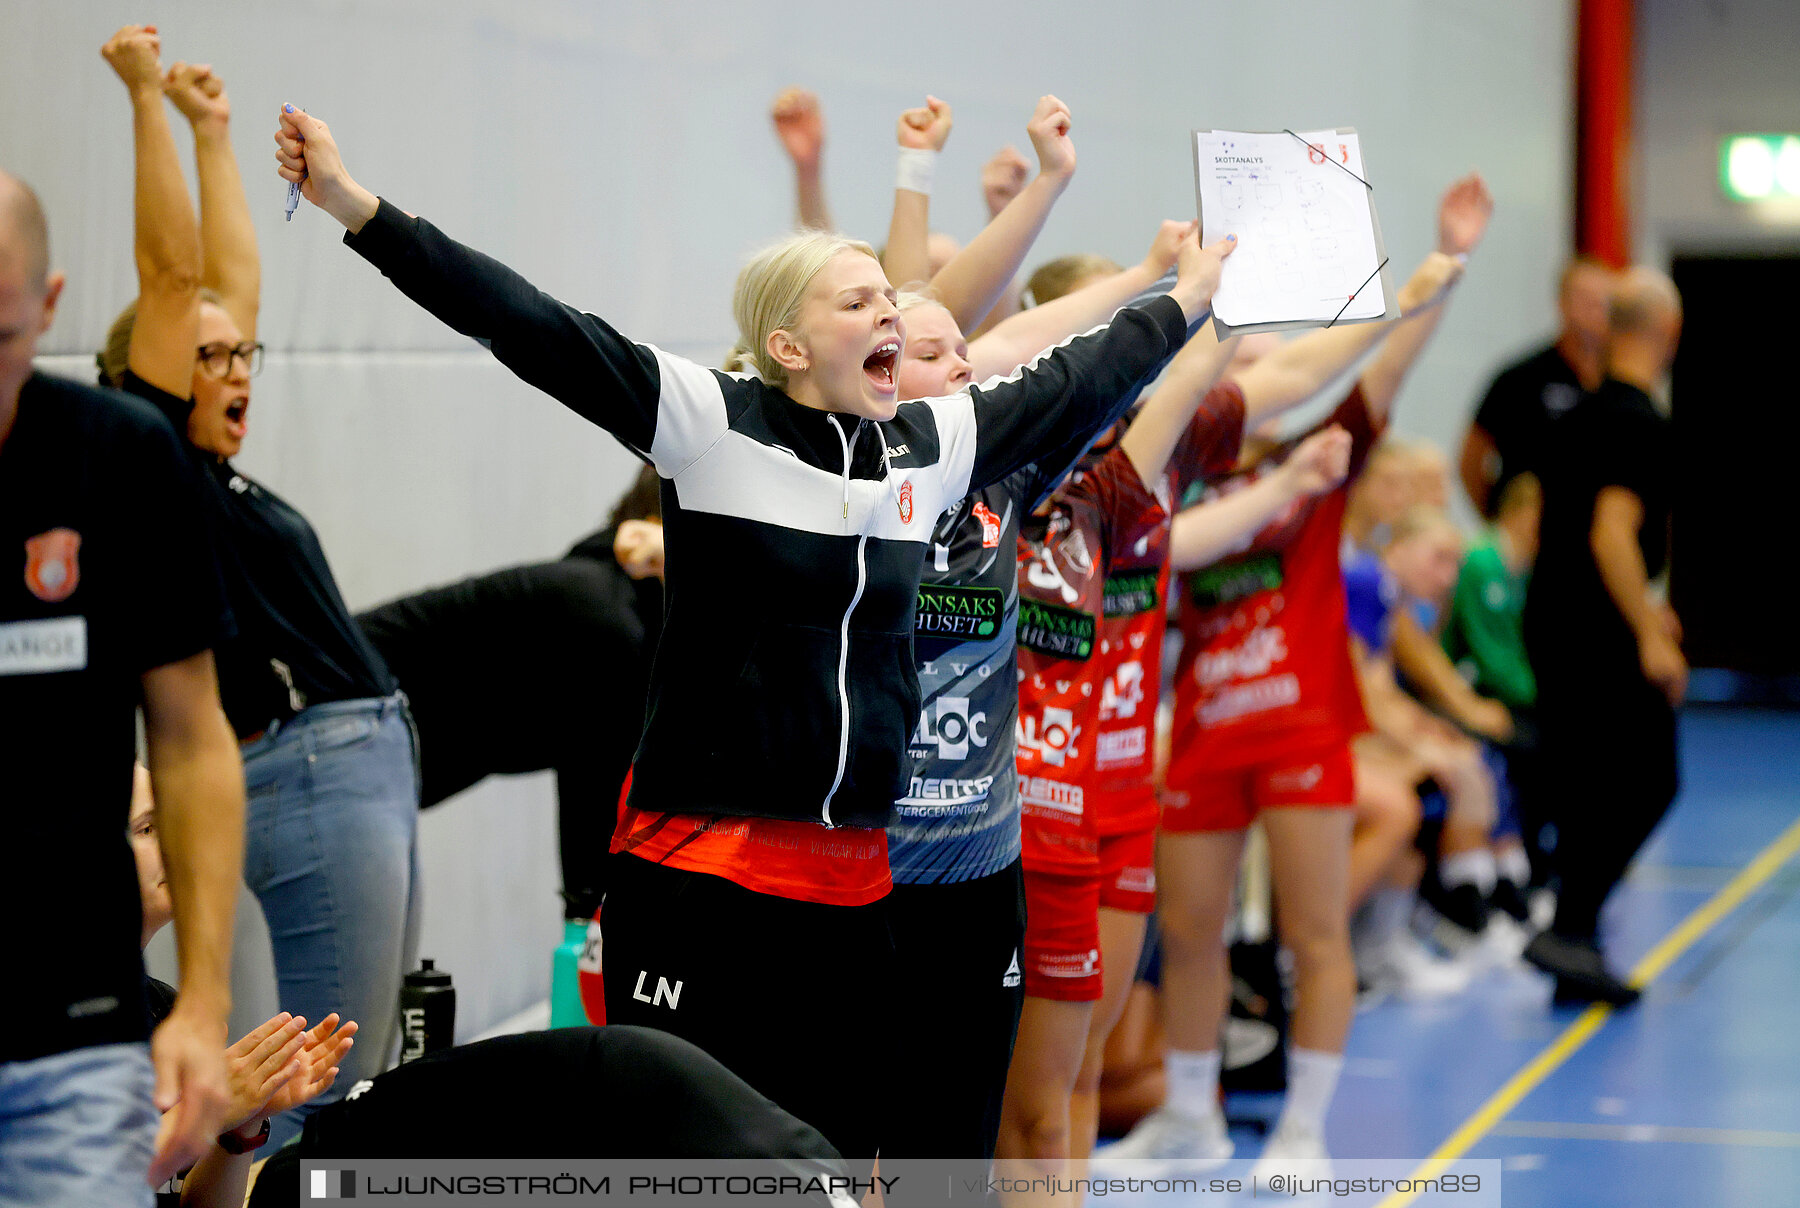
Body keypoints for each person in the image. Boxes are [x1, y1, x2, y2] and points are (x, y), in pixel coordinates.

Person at [275, 102, 1229, 1161]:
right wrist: (355, 209)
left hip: (854, 887)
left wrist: (1188, 296)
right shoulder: (711, 422)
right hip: (702, 880)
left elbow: (1077, 377)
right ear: (786, 342)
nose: (888, 310)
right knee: (692, 1165)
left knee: (834, 1166)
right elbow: (528, 323)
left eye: (887, 295)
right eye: (858, 297)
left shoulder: (931, 445)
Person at [1111, 175, 1490, 1176]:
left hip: (1302, 728)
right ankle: (1192, 1117)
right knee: (1191, 927)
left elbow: (1389, 368)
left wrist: (1436, 275)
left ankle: (1306, 1127)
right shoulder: (1181, 468)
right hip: (1204, 727)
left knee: (1312, 930)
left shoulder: (1323, 462)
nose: (1259, 384)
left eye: (1273, 367)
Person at [98, 31, 419, 1146]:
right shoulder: (151, 464)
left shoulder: (220, 480)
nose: (235, 370)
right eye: (209, 358)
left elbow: (229, 287)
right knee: (317, 1088)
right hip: (307, 767)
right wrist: (146, 98)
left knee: (352, 1068)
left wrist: (215, 131)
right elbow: (183, 283)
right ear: (149, 372)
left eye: (245, 357)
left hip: (361, 758)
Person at [0, 162, 242, 1205]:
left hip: (71, 1035)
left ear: (47, 308)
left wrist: (200, 997)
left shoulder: (116, 454)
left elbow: (190, 739)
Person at [355, 466, 666, 921]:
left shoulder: (618, 606)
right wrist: (587, 921)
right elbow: (593, 785)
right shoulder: (609, 616)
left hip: (370, 758)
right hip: (328, 724)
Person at [1521, 267, 1684, 1007]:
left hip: (1556, 621)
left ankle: (1575, 943)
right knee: (1650, 777)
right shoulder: (1635, 420)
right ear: (1666, 333)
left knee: (1592, 785)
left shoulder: (1579, 414)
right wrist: (1649, 631)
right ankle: (1570, 926)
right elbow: (1612, 533)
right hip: (1596, 630)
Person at [1459, 257, 1616, 516]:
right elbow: (1472, 458)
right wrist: (1498, 521)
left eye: (1605, 299)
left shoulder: (1621, 381)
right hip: (1534, 536)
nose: (1596, 307)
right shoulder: (1520, 378)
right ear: (1562, 303)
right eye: (1585, 298)